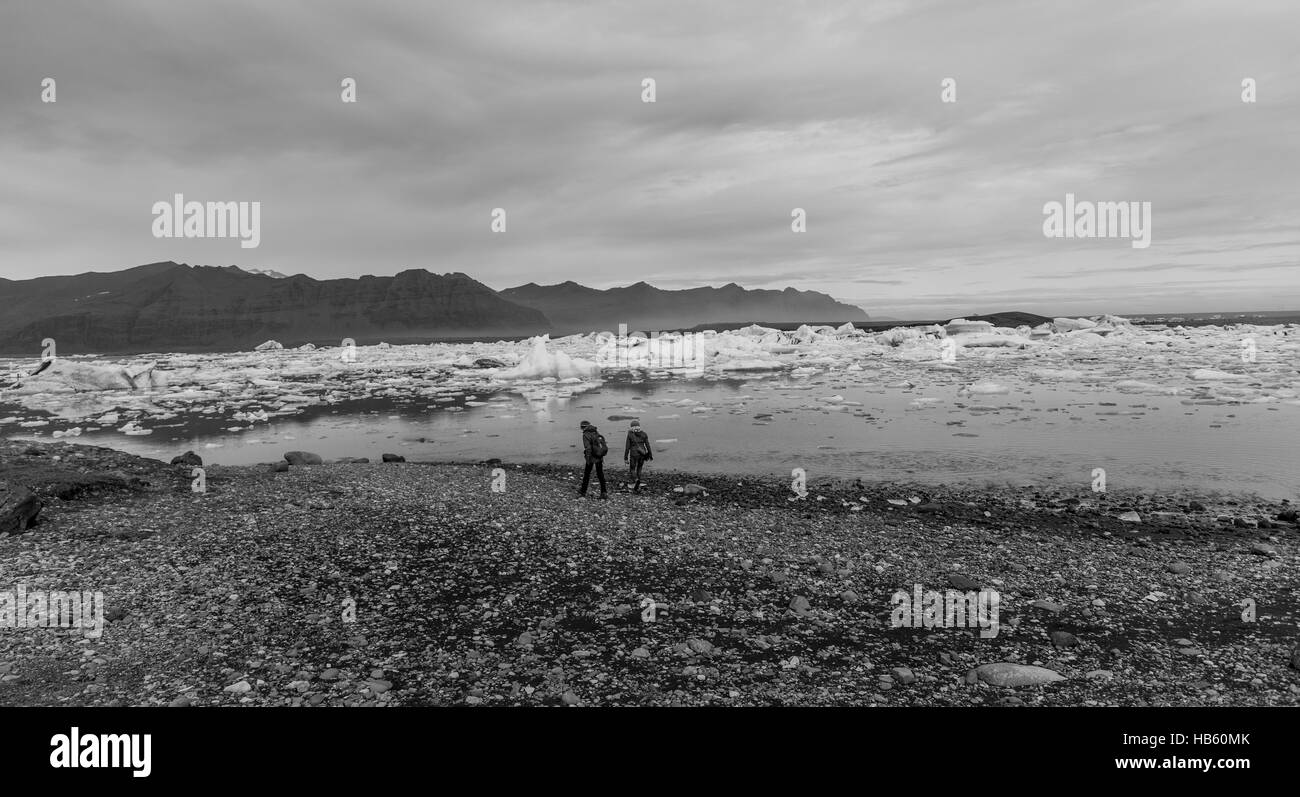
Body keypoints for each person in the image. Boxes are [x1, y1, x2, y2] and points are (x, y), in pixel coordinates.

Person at [578, 420, 608, 499]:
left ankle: (583, 491)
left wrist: (587, 458)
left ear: (583, 427)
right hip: (599, 456)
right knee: (600, 474)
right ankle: (604, 492)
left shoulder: (585, 434)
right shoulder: (596, 432)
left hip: (591, 457)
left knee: (587, 474)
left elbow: (588, 448)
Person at [623, 419, 653, 492]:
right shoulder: (644, 434)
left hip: (634, 454)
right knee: (639, 468)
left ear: (631, 427)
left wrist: (625, 458)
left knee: (632, 469)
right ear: (639, 426)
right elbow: (648, 445)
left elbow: (627, 447)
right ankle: (638, 483)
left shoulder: (630, 434)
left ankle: (636, 480)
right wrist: (650, 454)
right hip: (642, 454)